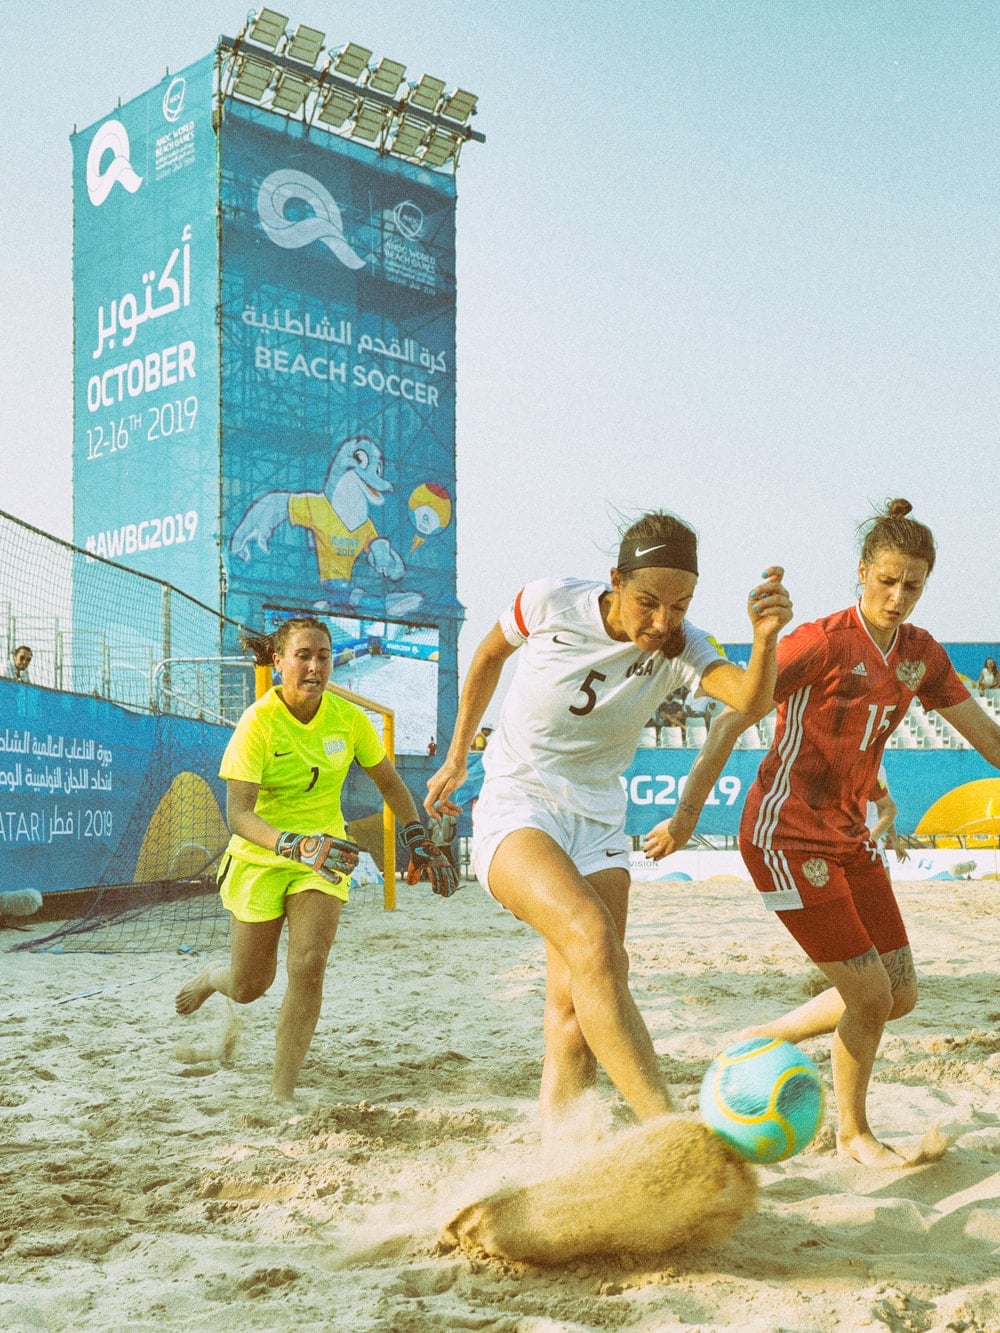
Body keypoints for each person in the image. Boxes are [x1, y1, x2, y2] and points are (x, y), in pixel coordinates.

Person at [425, 510, 792, 1127]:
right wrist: (459, 754)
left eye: (680, 606)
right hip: (520, 801)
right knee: (594, 939)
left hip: (597, 820)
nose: (662, 622)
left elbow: (751, 700)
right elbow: (488, 657)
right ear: (616, 580)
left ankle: (563, 1163)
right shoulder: (549, 602)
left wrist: (764, 638)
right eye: (648, 602)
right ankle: (668, 1129)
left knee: (574, 1013)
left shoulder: (682, 645)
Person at [662, 499, 1000, 1167]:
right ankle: (853, 1133)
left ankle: (762, 1035)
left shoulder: (921, 655)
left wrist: (877, 798)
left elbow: (988, 738)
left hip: (847, 836)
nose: (898, 596)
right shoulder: (821, 640)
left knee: (899, 994)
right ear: (862, 571)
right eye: (888, 579)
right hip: (784, 834)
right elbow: (735, 716)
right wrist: (685, 818)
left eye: (914, 585)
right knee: (870, 995)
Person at [175, 616, 457, 1103]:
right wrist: (290, 844)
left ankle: (281, 1092)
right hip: (261, 854)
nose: (314, 666)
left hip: (326, 854)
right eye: (303, 655)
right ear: (279, 661)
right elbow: (239, 816)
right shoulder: (258, 723)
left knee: (308, 965)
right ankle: (211, 980)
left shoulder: (347, 718)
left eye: (323, 656)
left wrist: (419, 837)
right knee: (249, 985)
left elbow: (390, 783)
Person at [867, 766, 909, 864]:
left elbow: (885, 808)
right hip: (866, 836)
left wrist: (894, 839)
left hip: (869, 835)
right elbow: (886, 808)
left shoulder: (878, 768)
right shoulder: (877, 768)